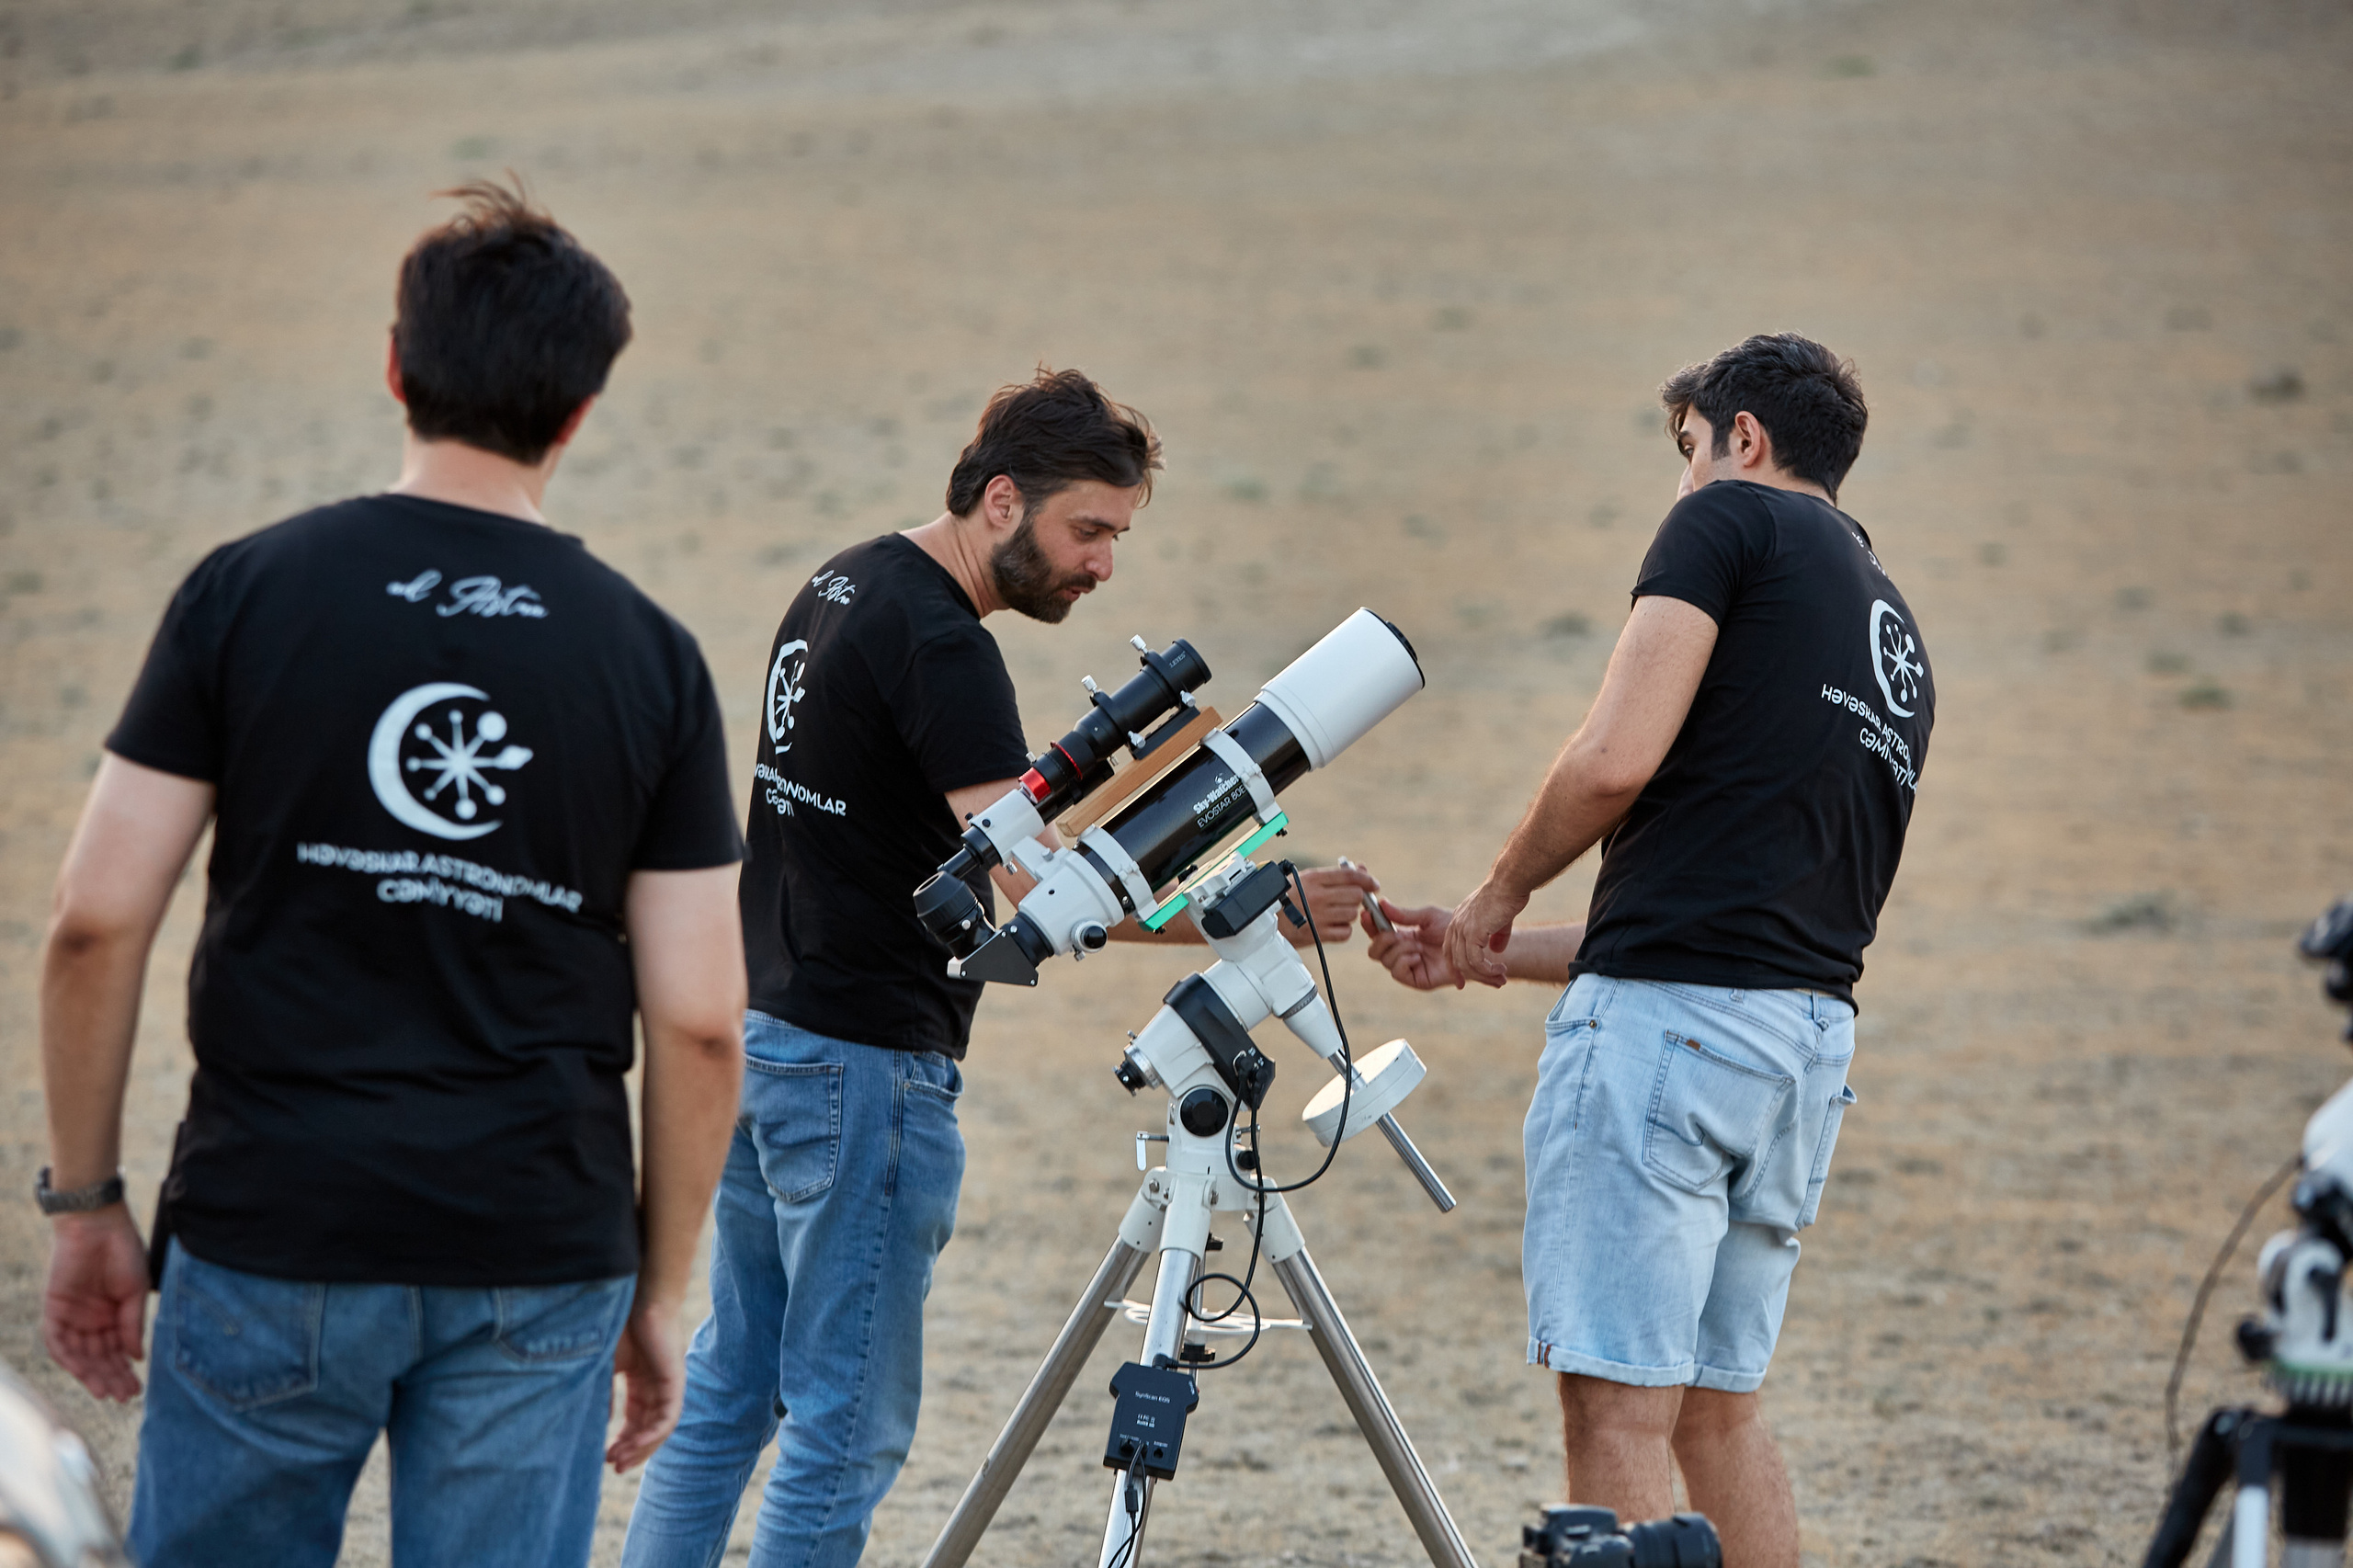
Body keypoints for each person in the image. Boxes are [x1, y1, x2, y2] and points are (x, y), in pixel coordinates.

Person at [37, 181, 749, 1566]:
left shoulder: (246, 592)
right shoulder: (650, 658)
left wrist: (87, 1205)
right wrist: (658, 1292)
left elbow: (93, 920)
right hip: (538, 1243)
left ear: (394, 365)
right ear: (580, 410)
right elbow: (704, 1017)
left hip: (272, 1218)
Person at [621, 368, 1382, 1568]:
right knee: (844, 1429)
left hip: (772, 1035)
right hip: (864, 1068)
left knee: (731, 1395)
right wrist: (1250, 907)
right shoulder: (942, 646)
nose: (1103, 564)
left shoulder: (845, 579)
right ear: (999, 499)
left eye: (1119, 536)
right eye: (1089, 529)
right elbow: (1041, 888)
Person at [1363, 335, 1932, 1568]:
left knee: (1616, 1403)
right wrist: (1481, 950)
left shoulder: (1725, 523)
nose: (1682, 484)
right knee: (1721, 1412)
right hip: (1800, 1048)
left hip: (1671, 1042)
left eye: (1687, 451)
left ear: (1743, 436)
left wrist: (1500, 884)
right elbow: (1717, 917)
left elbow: (1615, 760)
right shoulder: (1895, 636)